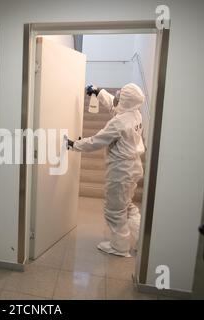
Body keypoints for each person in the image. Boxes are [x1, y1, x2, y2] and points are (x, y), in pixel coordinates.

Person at [68, 83, 145, 257]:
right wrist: (98, 92)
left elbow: (96, 141)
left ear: (126, 101)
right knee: (128, 207)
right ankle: (142, 240)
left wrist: (74, 144)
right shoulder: (135, 114)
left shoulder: (118, 123)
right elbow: (114, 105)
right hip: (134, 167)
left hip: (121, 171)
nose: (116, 95)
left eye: (120, 94)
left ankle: (119, 247)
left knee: (114, 210)